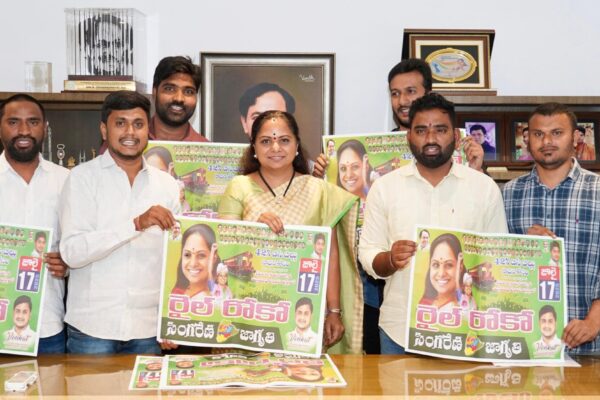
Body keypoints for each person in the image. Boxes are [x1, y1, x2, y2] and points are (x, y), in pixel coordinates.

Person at [359, 92, 508, 354]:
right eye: (421, 130)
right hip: (399, 332)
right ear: (408, 137)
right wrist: (390, 260)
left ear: (456, 137)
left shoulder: (484, 188)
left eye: (440, 130)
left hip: (467, 332)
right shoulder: (384, 188)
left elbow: (498, 257)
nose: (430, 138)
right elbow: (368, 253)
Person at [218, 110, 362, 354]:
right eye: (266, 141)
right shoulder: (239, 187)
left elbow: (330, 255)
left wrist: (334, 311)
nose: (275, 147)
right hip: (249, 310)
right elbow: (224, 250)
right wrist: (254, 228)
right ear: (254, 148)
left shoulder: (318, 191)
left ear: (296, 146)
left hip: (303, 310)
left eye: (284, 140)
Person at [59, 91, 180, 354]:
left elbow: (174, 260)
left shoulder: (168, 186)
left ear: (148, 131)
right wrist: (135, 225)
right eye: (120, 123)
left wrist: (171, 318)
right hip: (93, 328)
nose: (130, 132)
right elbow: (72, 253)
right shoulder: (81, 179)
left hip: (148, 329)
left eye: (138, 124)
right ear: (104, 130)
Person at [503, 102, 600, 355]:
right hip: (525, 346)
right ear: (527, 139)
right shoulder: (509, 194)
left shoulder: (598, 191)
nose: (547, 141)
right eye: (538, 134)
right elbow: (497, 267)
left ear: (576, 138)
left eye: (557, 133)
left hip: (591, 346)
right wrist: (522, 247)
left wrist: (594, 321)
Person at [0, 93, 69, 353]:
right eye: (13, 122)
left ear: (45, 127)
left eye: (33, 122)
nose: (24, 131)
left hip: (49, 323)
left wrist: (68, 263)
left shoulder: (66, 180)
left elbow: (79, 242)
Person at [418, 233, 465, 311]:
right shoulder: (425, 303)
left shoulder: (465, 303)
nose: (441, 273)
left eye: (449, 265)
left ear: (460, 267)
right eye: (436, 265)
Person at [171, 223, 218, 300]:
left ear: (214, 258)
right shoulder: (177, 293)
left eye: (201, 255)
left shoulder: (219, 295)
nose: (193, 264)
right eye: (187, 255)